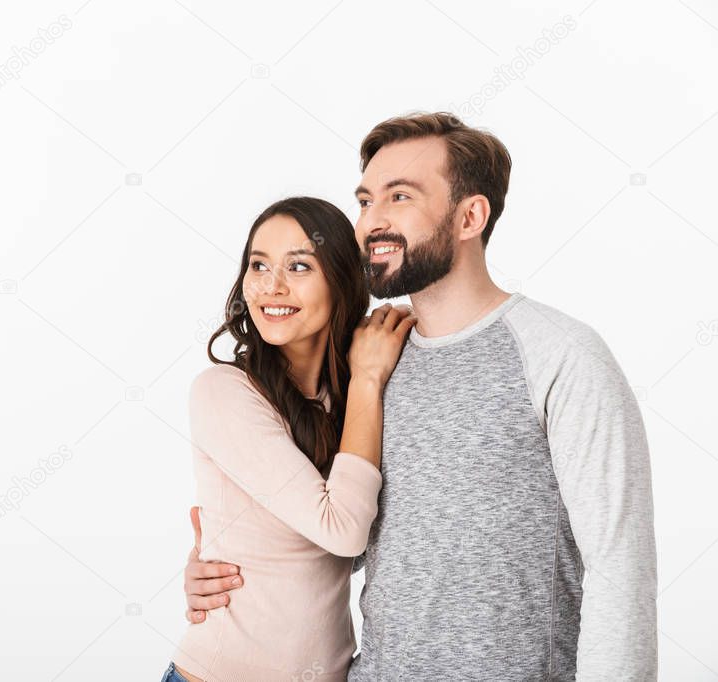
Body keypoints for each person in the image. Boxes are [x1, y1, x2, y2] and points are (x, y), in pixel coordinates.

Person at [183, 113, 658, 680]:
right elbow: (344, 535)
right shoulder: (372, 364)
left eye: (400, 197)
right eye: (365, 201)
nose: (371, 222)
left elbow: (620, 571)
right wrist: (215, 559)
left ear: (470, 216)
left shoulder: (560, 356)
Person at [161, 196, 416, 681]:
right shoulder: (224, 392)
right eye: (259, 265)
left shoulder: (353, 397)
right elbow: (341, 529)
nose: (271, 286)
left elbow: (361, 544)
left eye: (298, 266)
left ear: (340, 279)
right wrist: (365, 379)